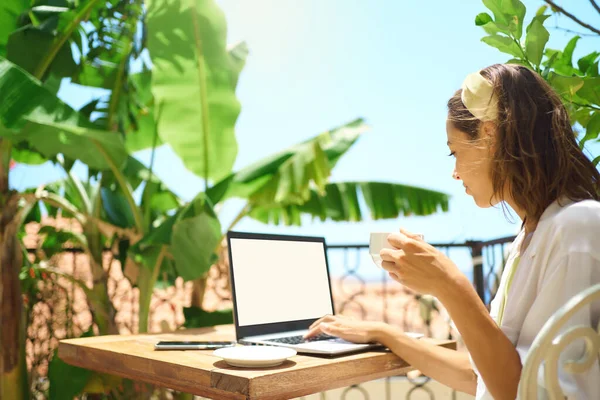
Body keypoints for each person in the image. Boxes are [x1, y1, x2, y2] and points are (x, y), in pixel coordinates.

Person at [304, 63, 600, 400]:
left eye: (454, 152)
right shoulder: (529, 239)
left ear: (490, 135)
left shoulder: (578, 227)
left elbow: (521, 391)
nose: (455, 173)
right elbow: (482, 377)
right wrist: (383, 333)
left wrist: (449, 285)